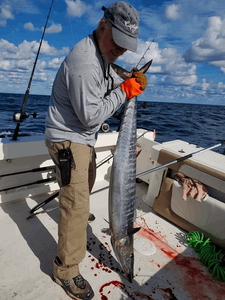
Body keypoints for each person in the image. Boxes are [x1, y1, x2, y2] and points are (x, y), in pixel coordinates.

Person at [45, 1, 147, 299]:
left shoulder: (102, 52)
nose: (121, 52)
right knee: (76, 208)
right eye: (118, 44)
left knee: (85, 184)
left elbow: (108, 81)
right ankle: (66, 271)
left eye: (126, 47)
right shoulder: (85, 62)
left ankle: (76, 209)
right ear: (103, 26)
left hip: (82, 139)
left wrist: (125, 81)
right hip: (68, 139)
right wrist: (126, 91)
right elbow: (91, 115)